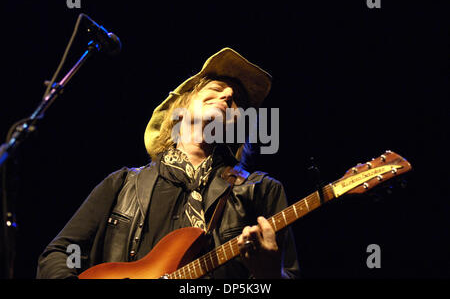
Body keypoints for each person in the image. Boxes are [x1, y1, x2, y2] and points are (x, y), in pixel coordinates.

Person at [36, 47, 300, 279]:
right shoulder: (123, 184)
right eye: (216, 89)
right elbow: (58, 253)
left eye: (237, 101)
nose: (228, 95)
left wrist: (271, 276)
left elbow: (288, 273)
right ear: (181, 106)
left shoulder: (261, 190)